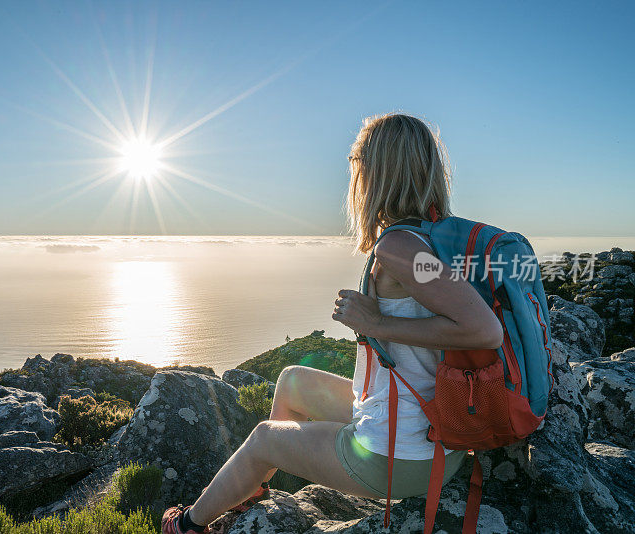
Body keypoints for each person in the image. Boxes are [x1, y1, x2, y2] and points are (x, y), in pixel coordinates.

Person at [161, 113, 504, 534]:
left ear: (376, 172)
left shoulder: (398, 245)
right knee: (291, 381)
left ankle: (189, 526)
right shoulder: (432, 239)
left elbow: (485, 330)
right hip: (433, 437)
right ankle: (250, 489)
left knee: (265, 438)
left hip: (400, 455)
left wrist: (376, 322)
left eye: (358, 161)